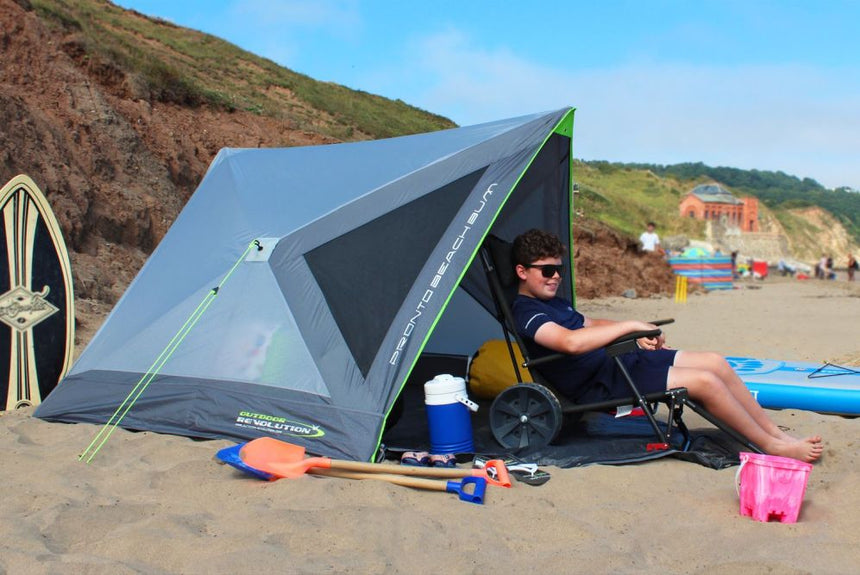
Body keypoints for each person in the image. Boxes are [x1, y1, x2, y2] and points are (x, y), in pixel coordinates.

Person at [510, 229, 823, 463]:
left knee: (715, 362)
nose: (555, 277)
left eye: (559, 270)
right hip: (601, 384)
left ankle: (776, 434)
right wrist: (630, 327)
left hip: (619, 364)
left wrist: (640, 328)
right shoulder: (528, 312)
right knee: (705, 382)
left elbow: (588, 324)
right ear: (522, 271)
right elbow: (571, 342)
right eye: (547, 271)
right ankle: (772, 447)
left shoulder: (556, 304)